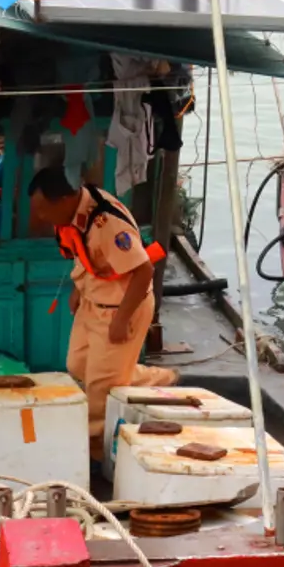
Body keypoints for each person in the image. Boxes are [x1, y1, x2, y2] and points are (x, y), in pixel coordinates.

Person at [37, 168, 178, 458]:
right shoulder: (76, 213)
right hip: (93, 301)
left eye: (44, 209)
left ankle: (96, 449)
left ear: (65, 199)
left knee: (101, 388)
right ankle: (157, 378)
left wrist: (122, 320)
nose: (41, 216)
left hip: (119, 307)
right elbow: (84, 254)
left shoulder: (107, 224)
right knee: (77, 365)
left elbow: (143, 271)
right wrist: (78, 289)